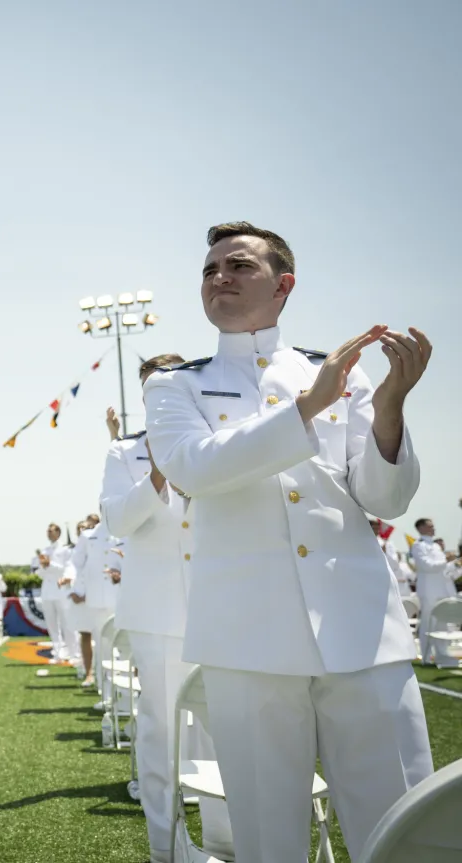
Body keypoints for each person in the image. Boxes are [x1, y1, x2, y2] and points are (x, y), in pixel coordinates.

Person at [143, 221, 433, 863]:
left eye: (239, 265)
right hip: (248, 639)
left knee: (399, 828)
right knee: (269, 838)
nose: (220, 276)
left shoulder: (344, 375)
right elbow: (194, 469)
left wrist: (388, 409)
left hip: (362, 631)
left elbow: (384, 500)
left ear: (284, 284)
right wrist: (305, 409)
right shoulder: (175, 385)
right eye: (210, 269)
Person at [102, 354, 234, 863]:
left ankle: (226, 842)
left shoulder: (219, 439)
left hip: (219, 601)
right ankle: (169, 848)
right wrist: (156, 479)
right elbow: (115, 519)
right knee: (162, 730)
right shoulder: (123, 452)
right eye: (150, 386)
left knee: (227, 727)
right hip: (155, 610)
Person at [66, 513, 120, 688]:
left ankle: (123, 689)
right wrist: (72, 584)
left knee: (121, 645)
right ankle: (104, 689)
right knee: (101, 643)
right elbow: (75, 563)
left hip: (119, 596)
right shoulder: (88, 536)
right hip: (96, 598)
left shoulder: (122, 531)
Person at [410, 518, 460, 657]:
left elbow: (443, 570)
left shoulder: (436, 546)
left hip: (441, 589)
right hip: (428, 590)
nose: (433, 529)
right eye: (430, 526)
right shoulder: (418, 545)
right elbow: (427, 566)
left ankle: (442, 654)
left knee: (442, 622)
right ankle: (425, 656)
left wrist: (455, 564)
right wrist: (446, 560)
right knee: (428, 622)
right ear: (420, 528)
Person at [33, 523, 75, 664]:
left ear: (58, 533)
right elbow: (39, 572)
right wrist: (44, 567)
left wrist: (50, 565)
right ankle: (57, 652)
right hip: (47, 590)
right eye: (47, 531)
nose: (49, 534)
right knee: (51, 624)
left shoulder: (65, 550)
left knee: (66, 623)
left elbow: (66, 569)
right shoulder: (45, 550)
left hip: (61, 590)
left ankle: (71, 651)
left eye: (51, 531)